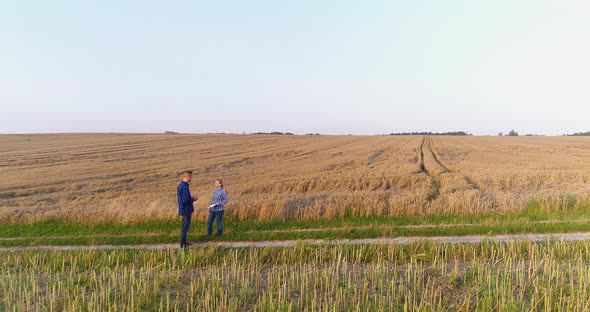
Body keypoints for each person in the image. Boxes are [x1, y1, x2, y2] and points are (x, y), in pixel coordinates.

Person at [177, 170, 199, 248]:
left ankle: (184, 242)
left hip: (183, 209)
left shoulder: (181, 185)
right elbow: (185, 200)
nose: (191, 178)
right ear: (187, 177)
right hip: (186, 209)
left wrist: (190, 198)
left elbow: (183, 198)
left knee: (185, 226)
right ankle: (183, 244)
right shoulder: (185, 186)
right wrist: (193, 199)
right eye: (191, 176)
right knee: (185, 227)